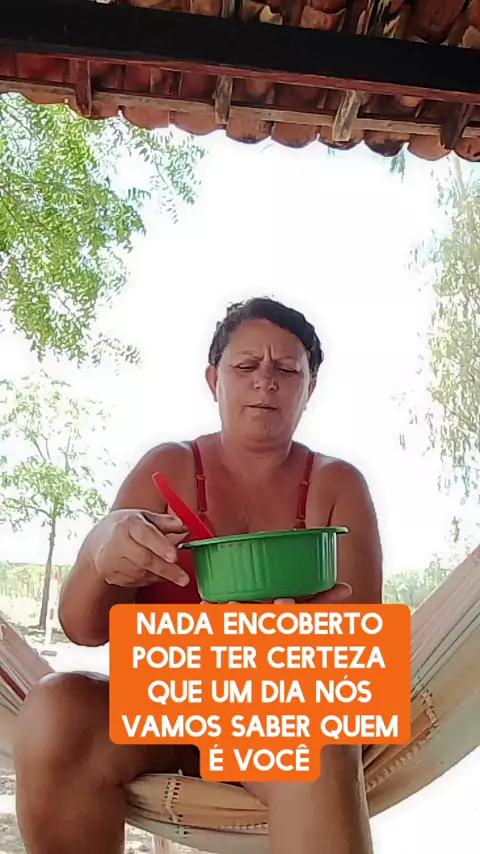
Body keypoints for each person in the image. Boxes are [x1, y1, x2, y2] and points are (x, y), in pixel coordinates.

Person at [13, 297, 383, 854]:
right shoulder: (167, 469)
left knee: (321, 733)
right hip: (162, 708)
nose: (265, 380)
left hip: (276, 717)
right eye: (246, 365)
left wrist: (283, 642)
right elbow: (81, 627)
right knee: (54, 709)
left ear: (310, 389)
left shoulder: (338, 486)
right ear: (214, 380)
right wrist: (101, 551)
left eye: (287, 370)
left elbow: (359, 662)